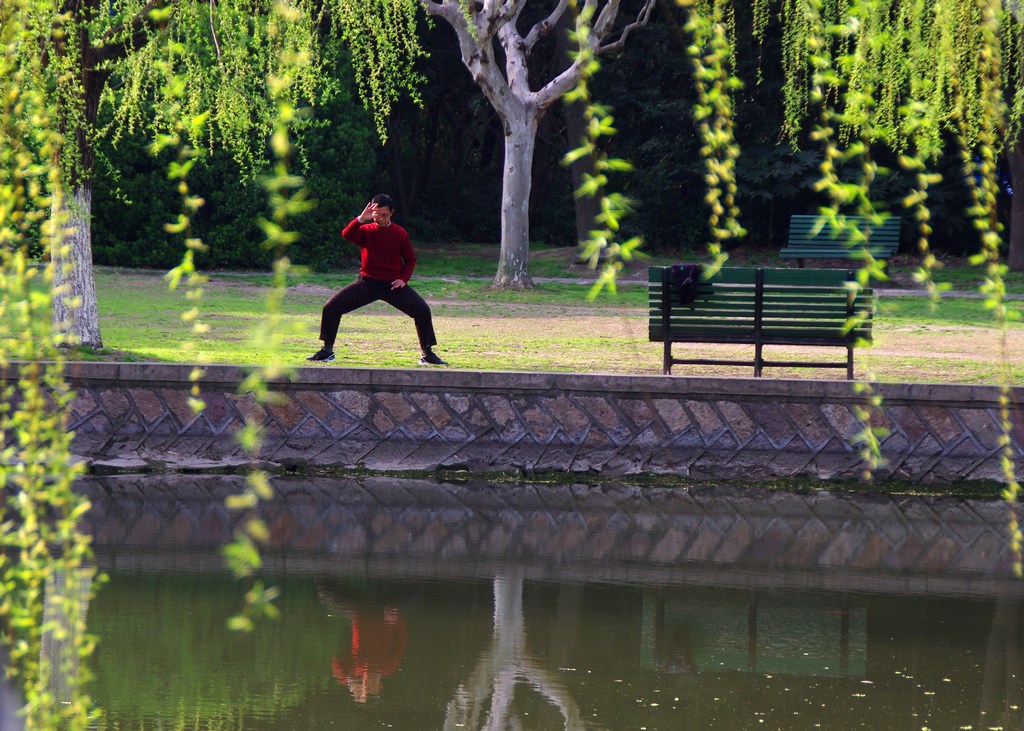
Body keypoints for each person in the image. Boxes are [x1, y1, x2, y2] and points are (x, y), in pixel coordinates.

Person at [307, 194, 447, 365]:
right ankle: (327, 351)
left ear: (391, 213)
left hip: (393, 285)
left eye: (384, 215)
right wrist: (360, 219)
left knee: (422, 310)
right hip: (367, 283)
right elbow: (347, 235)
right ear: (371, 212)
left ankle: (427, 354)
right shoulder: (365, 230)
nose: (380, 218)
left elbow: (410, 259)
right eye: (377, 214)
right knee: (331, 307)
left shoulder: (399, 233)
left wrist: (403, 279)